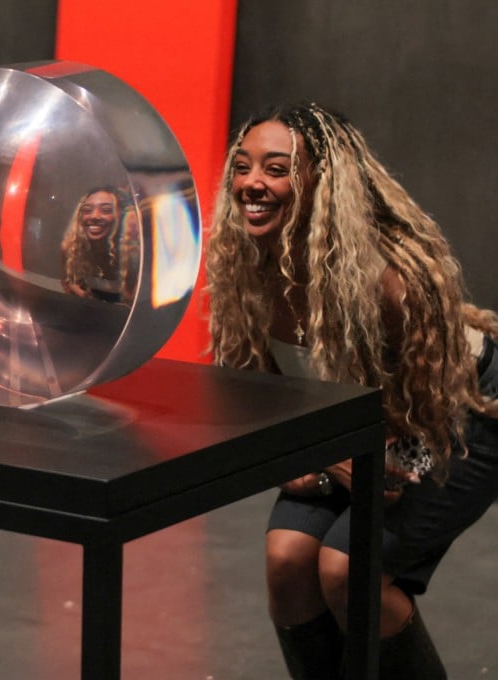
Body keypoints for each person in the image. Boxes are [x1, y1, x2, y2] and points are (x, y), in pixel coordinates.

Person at [206, 102, 498, 679]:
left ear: (322, 180)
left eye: (276, 168)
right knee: (287, 558)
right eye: (242, 167)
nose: (252, 184)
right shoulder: (249, 268)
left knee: (347, 569)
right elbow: (266, 399)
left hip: (460, 408)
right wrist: (317, 461)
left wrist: (336, 462)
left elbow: (420, 413)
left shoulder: (384, 282)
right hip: (354, 432)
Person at [60, 186, 138, 303]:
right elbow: (68, 282)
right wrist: (83, 295)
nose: (95, 216)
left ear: (120, 216)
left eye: (106, 210)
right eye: (87, 210)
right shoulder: (71, 248)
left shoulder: (133, 253)